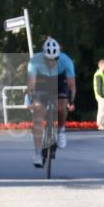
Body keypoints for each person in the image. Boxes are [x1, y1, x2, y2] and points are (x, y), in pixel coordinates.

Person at [27, 37, 76, 167]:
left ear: (58, 56)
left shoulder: (66, 61)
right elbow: (31, 84)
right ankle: (37, 153)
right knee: (38, 115)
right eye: (48, 59)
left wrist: (71, 101)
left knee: (61, 108)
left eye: (54, 59)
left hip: (60, 80)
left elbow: (71, 86)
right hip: (42, 81)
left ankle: (61, 130)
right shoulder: (35, 61)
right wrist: (31, 100)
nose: (51, 62)